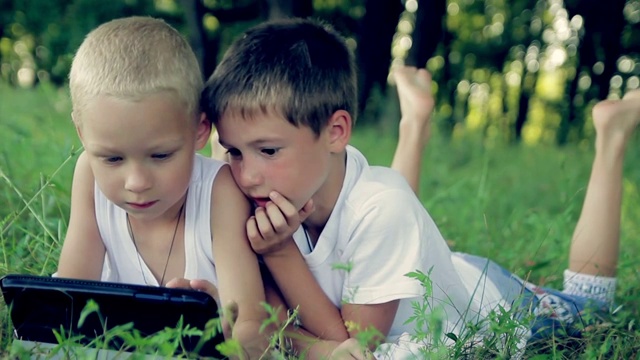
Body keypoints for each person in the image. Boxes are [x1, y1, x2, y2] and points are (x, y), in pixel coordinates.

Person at [202, 17, 630, 359]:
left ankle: (612, 134)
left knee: (592, 308)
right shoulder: (261, 192)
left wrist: (278, 254)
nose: (247, 175)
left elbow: (353, 347)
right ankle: (415, 119)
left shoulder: (382, 206)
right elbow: (269, 318)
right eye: (234, 152)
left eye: (268, 151)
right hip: (432, 271)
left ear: (335, 132)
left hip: (498, 305)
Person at [55, 16, 268, 358]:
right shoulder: (88, 176)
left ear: (199, 130)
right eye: (111, 159)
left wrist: (219, 327)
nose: (136, 183)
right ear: (82, 135)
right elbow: (68, 304)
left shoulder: (219, 192)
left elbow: (252, 330)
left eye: (161, 155)